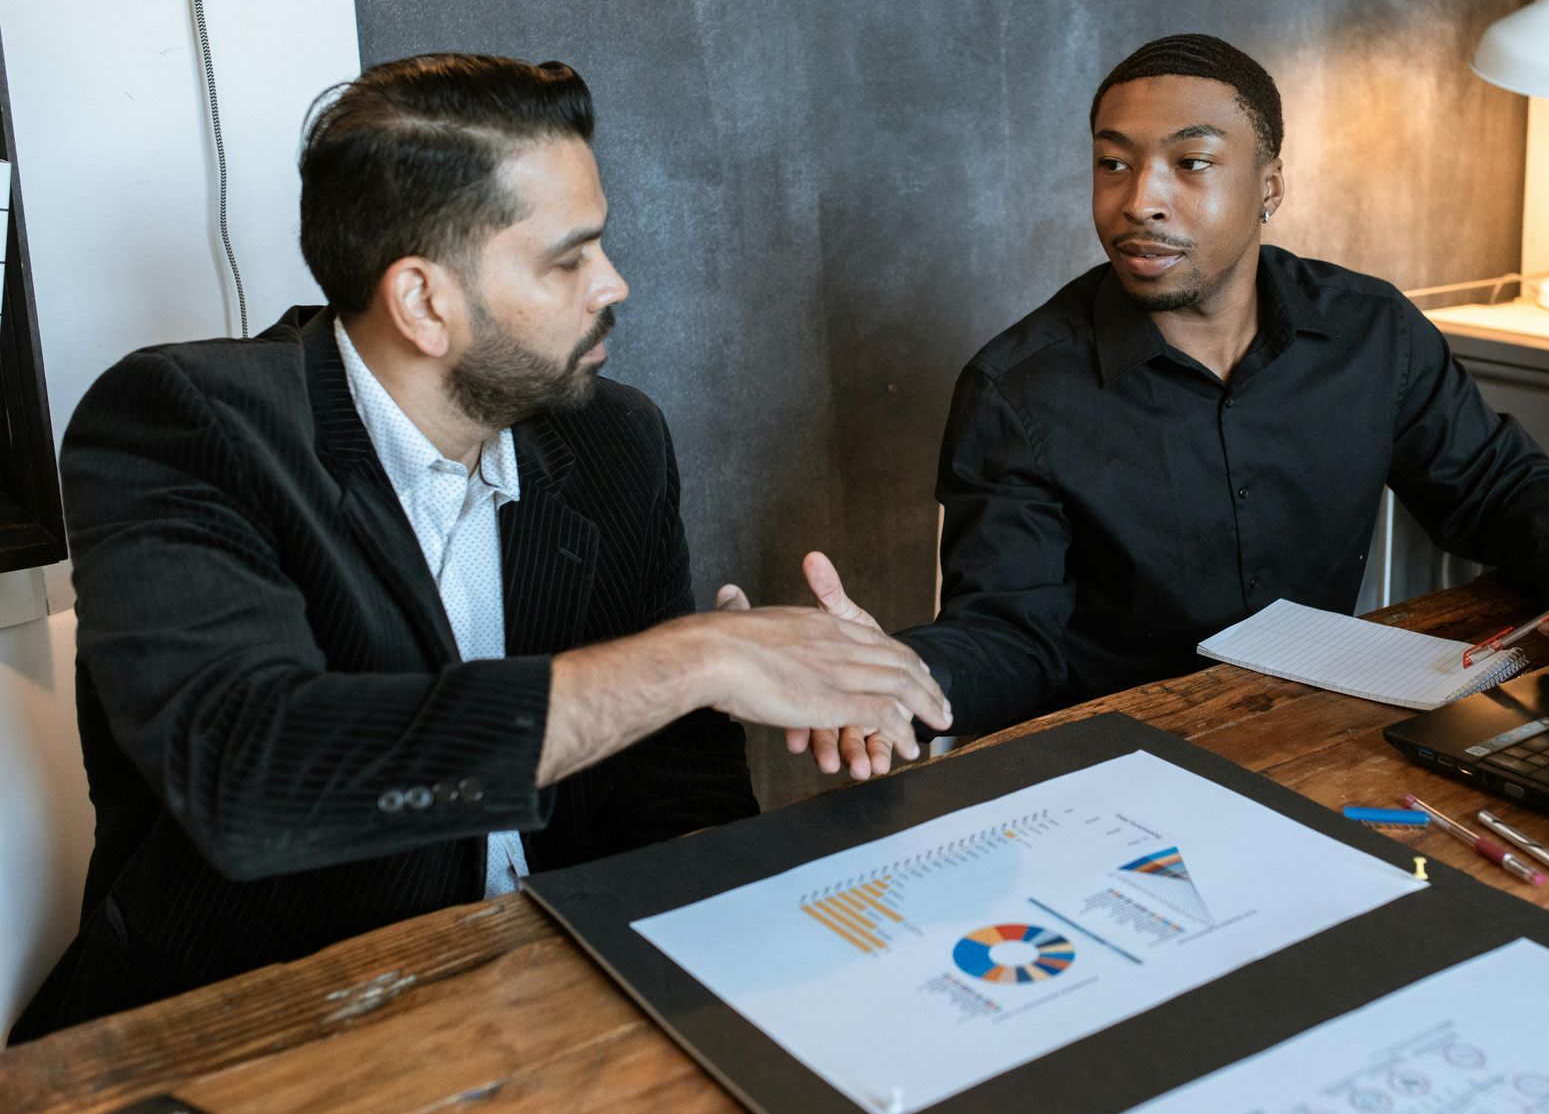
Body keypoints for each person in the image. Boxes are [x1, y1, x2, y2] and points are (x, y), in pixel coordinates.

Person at [12, 53, 947, 1040]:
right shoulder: (186, 426)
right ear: (422, 301)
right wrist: (701, 655)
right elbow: (256, 771)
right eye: (567, 257)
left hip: (562, 1002)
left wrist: (795, 725)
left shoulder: (611, 437)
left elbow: (672, 783)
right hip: (256, 1036)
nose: (614, 282)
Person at [793, 33, 1549, 765]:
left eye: (1190, 163)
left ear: (1270, 186)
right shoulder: (1019, 390)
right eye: (1113, 164)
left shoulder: (1370, 333)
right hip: (1112, 768)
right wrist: (902, 674)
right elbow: (1012, 632)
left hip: (1323, 741)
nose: (1140, 200)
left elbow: (1496, 488)